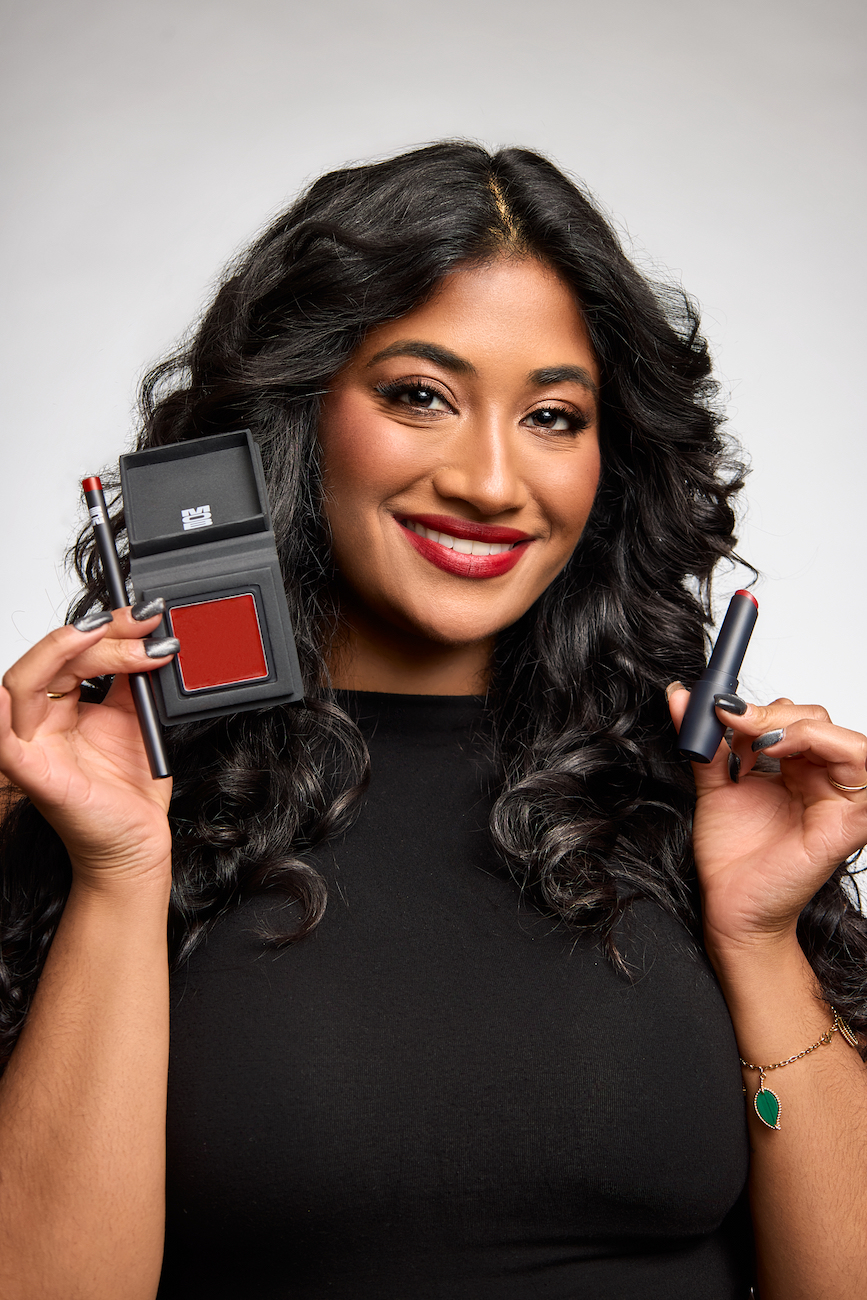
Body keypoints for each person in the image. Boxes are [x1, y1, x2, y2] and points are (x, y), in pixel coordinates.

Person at [0, 142, 865, 1300]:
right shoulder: (117, 794)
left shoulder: (698, 798)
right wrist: (118, 869)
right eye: (420, 395)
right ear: (302, 412)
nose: (492, 482)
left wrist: (761, 934)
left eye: (552, 415)